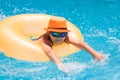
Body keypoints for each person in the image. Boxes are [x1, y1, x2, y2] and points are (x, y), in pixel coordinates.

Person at [36, 16, 104, 70]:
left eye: (63, 34)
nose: (59, 37)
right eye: (55, 34)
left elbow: (81, 44)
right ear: (48, 33)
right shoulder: (45, 40)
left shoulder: (65, 38)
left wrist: (95, 54)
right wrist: (61, 65)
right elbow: (49, 51)